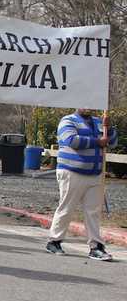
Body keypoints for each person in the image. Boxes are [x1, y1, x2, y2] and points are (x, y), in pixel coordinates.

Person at [46, 109, 118, 261]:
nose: (87, 107)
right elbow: (72, 140)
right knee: (66, 207)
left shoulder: (99, 121)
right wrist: (97, 142)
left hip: (95, 173)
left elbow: (112, 142)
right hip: (72, 171)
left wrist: (109, 129)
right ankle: (54, 241)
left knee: (94, 211)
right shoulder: (68, 120)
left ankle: (96, 246)